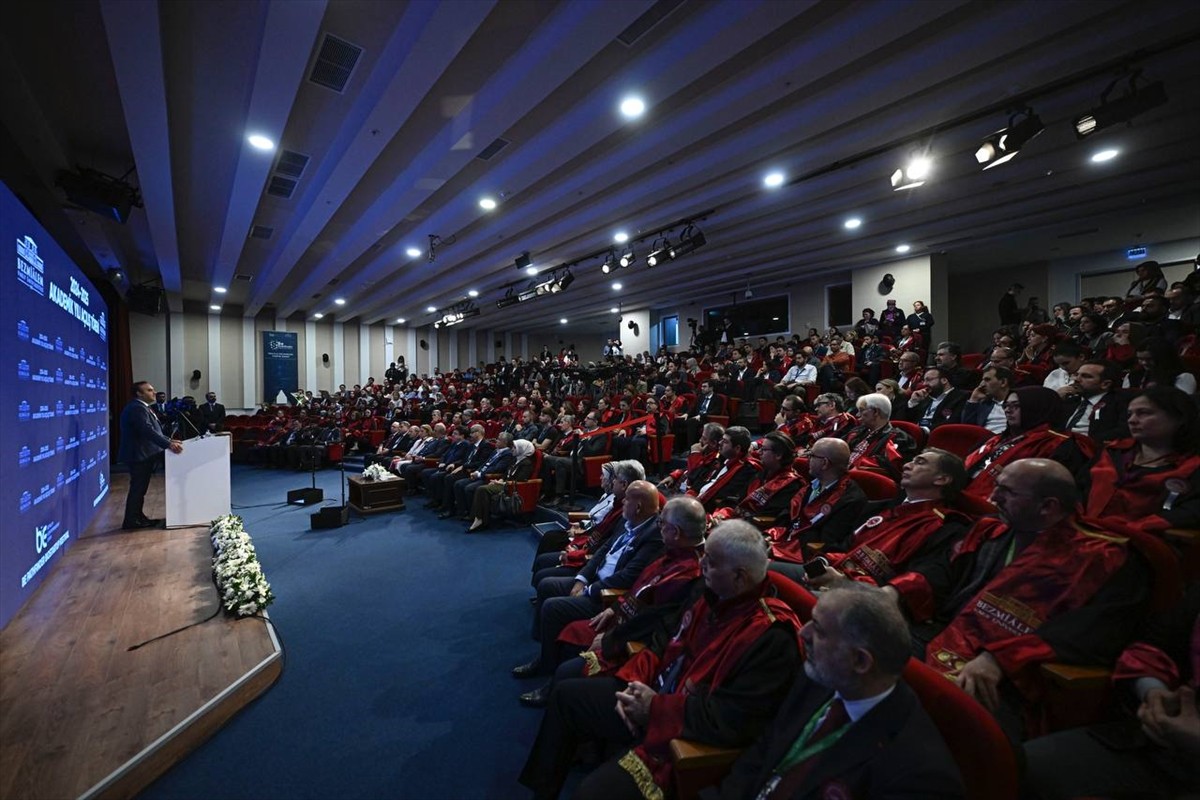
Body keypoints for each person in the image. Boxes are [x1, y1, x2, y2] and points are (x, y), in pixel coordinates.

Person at [519, 521, 803, 800]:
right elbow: (665, 636)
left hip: (682, 731)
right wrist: (636, 683)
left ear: (740, 576)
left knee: (591, 792)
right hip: (653, 689)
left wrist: (653, 707)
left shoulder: (772, 636)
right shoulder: (710, 593)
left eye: (711, 562)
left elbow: (731, 719)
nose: (702, 565)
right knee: (567, 695)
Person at [900, 459, 1150, 740]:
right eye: (996, 487)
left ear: (1048, 507)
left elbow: (1089, 633)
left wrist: (1000, 659)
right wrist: (894, 593)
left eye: (1007, 492)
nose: (993, 498)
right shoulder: (992, 531)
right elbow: (946, 572)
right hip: (943, 635)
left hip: (1016, 679)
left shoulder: (1103, 559)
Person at [700, 584, 965, 800]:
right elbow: (762, 755)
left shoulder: (918, 776)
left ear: (861, 662)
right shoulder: (817, 680)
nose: (803, 633)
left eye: (820, 630)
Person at [516, 481, 664, 681]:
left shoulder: (654, 536)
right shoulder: (628, 520)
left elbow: (628, 576)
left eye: (627, 498)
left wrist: (590, 589)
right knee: (547, 585)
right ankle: (545, 651)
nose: (623, 501)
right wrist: (582, 578)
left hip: (606, 595)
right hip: (594, 579)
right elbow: (602, 551)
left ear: (638, 507)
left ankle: (546, 665)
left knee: (553, 608)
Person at [1081, 386, 1200, 531]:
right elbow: (1078, 491)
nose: (1132, 420)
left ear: (1179, 418)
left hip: (1141, 543)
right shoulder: (1112, 451)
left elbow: (1190, 512)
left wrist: (1134, 529)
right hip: (1085, 533)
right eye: (1129, 414)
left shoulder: (1192, 466)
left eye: (1143, 413)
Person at [962, 386, 1093, 502]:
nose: (1008, 410)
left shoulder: (1059, 445)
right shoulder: (995, 439)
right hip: (966, 496)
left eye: (1016, 406)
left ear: (1036, 409)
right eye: (1006, 406)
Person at [767, 437, 868, 565]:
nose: (807, 459)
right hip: (783, 544)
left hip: (805, 558)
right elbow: (788, 515)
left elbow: (825, 543)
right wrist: (771, 537)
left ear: (825, 463)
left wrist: (779, 548)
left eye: (812, 455)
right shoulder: (813, 485)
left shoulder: (851, 500)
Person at [118, 381, 184, 530]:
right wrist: (168, 445)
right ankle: (131, 521)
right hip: (139, 455)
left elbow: (154, 431)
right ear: (139, 393)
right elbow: (147, 430)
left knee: (140, 489)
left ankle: (137, 517)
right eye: (149, 390)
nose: (154, 393)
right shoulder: (137, 408)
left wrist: (169, 439)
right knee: (138, 488)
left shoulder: (141, 407)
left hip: (142, 454)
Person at [466, 439, 536, 532]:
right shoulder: (515, 459)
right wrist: (498, 480)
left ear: (522, 449)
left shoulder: (526, 463)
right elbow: (505, 474)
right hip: (504, 483)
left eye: (514, 447)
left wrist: (502, 483)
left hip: (512, 487)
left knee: (482, 489)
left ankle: (479, 519)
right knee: (483, 490)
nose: (512, 449)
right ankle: (481, 519)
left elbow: (520, 479)